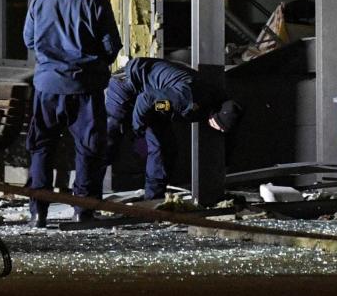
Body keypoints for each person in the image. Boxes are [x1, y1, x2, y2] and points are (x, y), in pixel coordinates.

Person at [23, 0, 121, 228]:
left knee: (41, 147)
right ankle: (83, 209)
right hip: (85, 88)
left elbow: (29, 40)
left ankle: (38, 211)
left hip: (47, 87)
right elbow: (111, 48)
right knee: (89, 148)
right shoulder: (96, 1)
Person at [101, 56, 243, 200]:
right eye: (218, 126)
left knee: (163, 149)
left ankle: (153, 201)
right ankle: (87, 195)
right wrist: (138, 131)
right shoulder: (184, 99)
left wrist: (226, 165)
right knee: (111, 139)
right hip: (126, 85)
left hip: (154, 95)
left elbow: (154, 104)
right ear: (215, 116)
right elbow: (146, 101)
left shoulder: (220, 101)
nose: (218, 130)